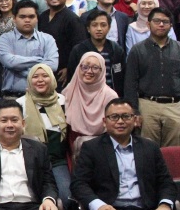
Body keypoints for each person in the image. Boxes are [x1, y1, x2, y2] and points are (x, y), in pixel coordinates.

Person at [124, 8, 180, 147]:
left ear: (171, 26)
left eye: (165, 22)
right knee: (147, 150)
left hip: (175, 106)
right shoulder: (137, 50)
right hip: (147, 105)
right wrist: (134, 112)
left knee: (173, 153)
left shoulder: (178, 48)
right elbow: (130, 83)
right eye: (157, 21)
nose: (161, 24)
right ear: (149, 24)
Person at [16, 65, 71, 202]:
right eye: (35, 76)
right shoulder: (19, 104)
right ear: (29, 80)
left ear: (52, 79)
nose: (40, 80)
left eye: (45, 76)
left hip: (57, 161)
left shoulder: (63, 100)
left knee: (66, 196)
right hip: (29, 162)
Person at [0, 0, 59, 98]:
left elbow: (52, 65)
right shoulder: (5, 38)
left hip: (42, 97)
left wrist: (17, 68)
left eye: (31, 17)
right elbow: (9, 62)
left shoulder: (47, 39)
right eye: (22, 17)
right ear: (14, 18)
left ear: (37, 18)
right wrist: (39, 59)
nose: (27, 20)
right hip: (12, 97)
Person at [62, 52, 120, 142]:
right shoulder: (70, 90)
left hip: (102, 144)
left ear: (102, 71)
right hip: (72, 143)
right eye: (85, 67)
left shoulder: (110, 96)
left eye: (95, 68)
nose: (89, 71)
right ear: (78, 68)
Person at [39, 0, 87, 86]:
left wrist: (68, 68)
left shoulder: (72, 19)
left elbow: (79, 47)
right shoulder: (42, 17)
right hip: (42, 69)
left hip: (63, 72)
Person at [68, 11, 126, 97]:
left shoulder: (117, 50)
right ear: (88, 28)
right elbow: (72, 76)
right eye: (94, 25)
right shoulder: (78, 50)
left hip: (111, 97)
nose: (99, 29)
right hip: (85, 96)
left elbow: (121, 76)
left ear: (109, 27)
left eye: (103, 25)